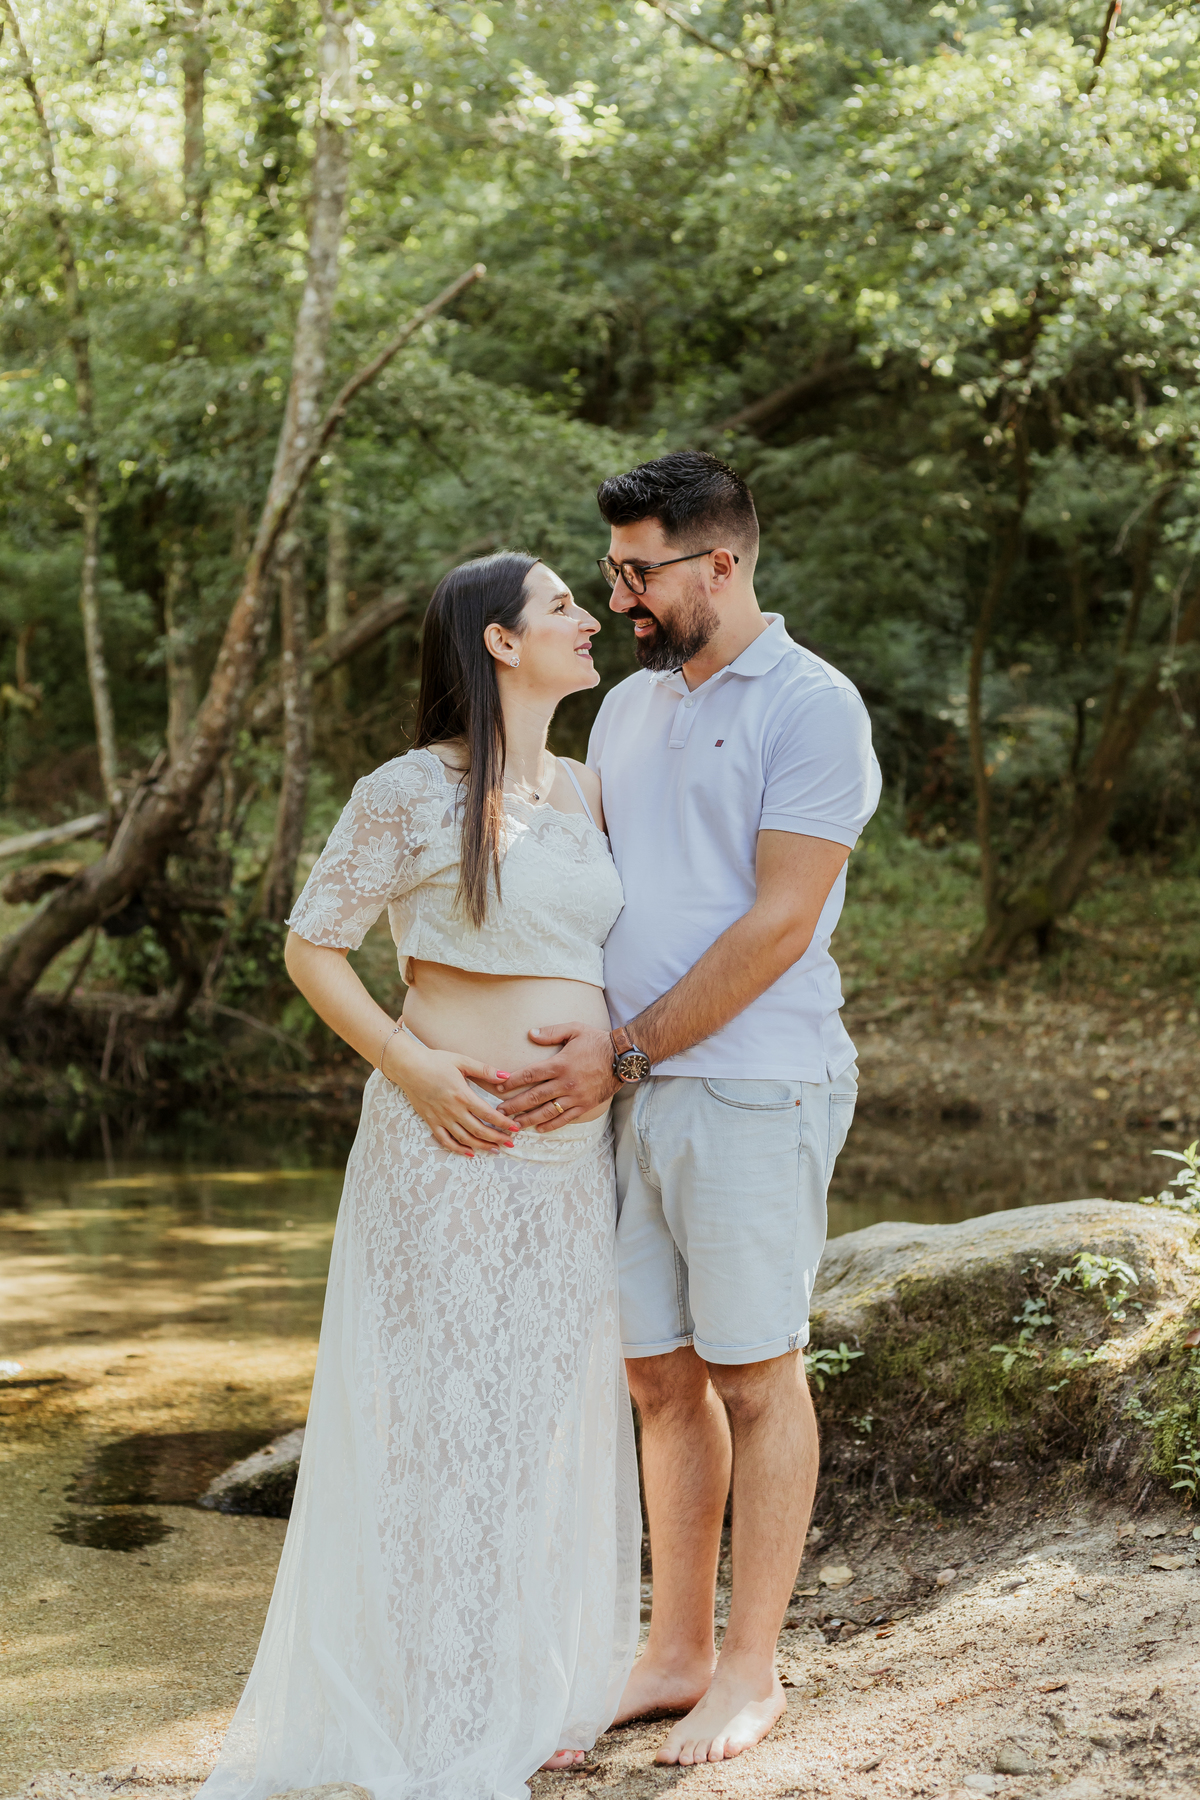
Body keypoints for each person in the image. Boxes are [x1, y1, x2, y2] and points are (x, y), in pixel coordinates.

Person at [198, 552, 640, 1800]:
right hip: (445, 1148)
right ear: (500, 643)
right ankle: (439, 1712)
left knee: (541, 1421)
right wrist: (413, 1068)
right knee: (443, 1426)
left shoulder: (591, 789)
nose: (587, 620)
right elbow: (312, 945)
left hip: (563, 1154)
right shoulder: (408, 791)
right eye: (562, 605)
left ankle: (531, 1681)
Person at [495, 452, 881, 1767]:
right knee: (658, 1375)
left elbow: (780, 923)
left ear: (721, 563)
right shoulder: (629, 711)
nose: (620, 598)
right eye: (610, 573)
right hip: (630, 1090)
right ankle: (675, 1649)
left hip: (750, 1085)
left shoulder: (813, 707)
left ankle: (753, 1672)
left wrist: (629, 1053)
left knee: (755, 1375)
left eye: (640, 570)